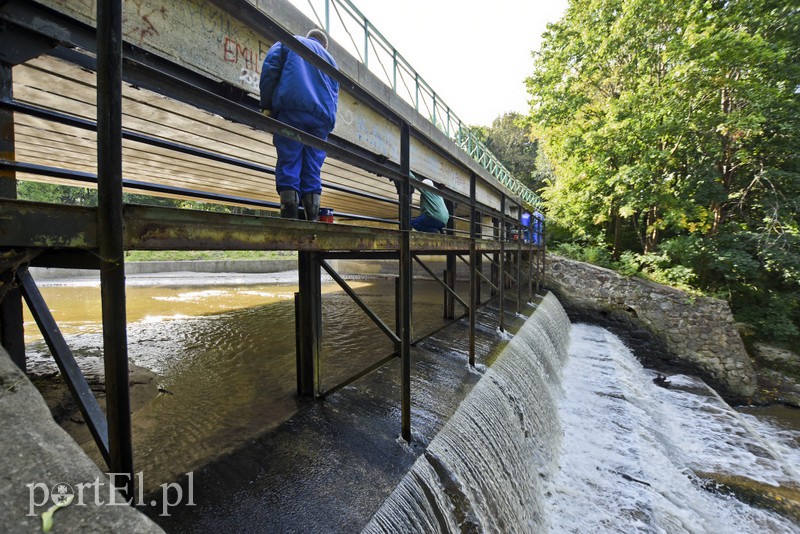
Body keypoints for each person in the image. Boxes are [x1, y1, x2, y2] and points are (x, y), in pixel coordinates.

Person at [259, 29, 339, 221]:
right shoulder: (331, 61)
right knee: (312, 166)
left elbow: (270, 69)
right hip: (322, 120)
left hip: (293, 109)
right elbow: (334, 94)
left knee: (290, 159)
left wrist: (267, 105)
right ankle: (311, 219)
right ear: (324, 45)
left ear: (309, 36)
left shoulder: (291, 41)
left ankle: (290, 217)